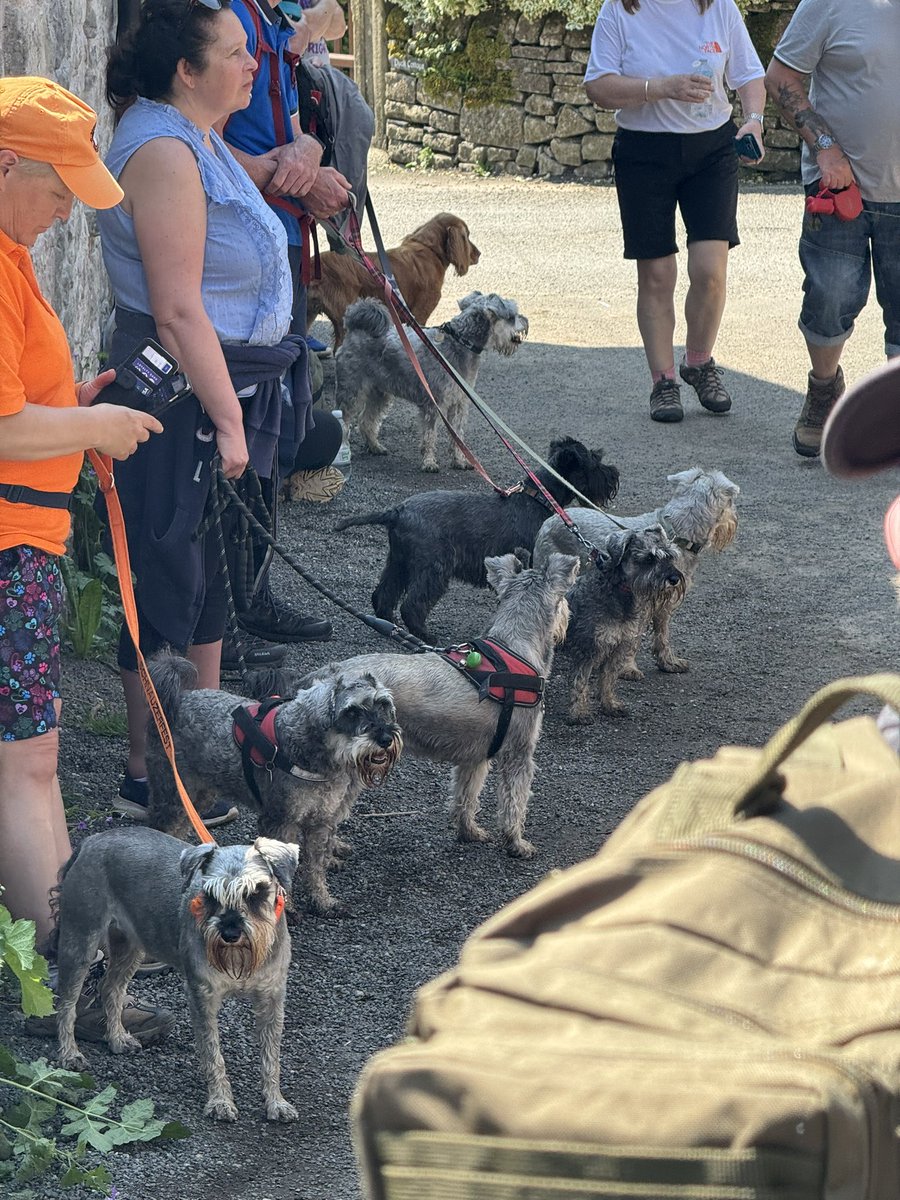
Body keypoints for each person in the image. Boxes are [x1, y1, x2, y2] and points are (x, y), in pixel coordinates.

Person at [98, 0, 315, 819]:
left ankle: (202, 751)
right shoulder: (160, 150)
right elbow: (178, 309)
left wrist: (301, 155)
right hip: (176, 396)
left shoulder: (193, 132)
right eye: (234, 52)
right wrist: (228, 419)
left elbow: (248, 183)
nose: (254, 63)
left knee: (209, 578)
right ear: (186, 71)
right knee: (167, 582)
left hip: (213, 387)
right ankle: (150, 774)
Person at [0, 74, 172, 1046]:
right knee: (27, 765)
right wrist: (93, 424)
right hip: (8, 550)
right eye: (59, 185)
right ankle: (58, 986)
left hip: (23, 545)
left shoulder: (12, 258)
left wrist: (79, 410)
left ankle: (66, 968)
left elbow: (22, 405)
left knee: (30, 760)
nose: (71, 207)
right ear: (5, 163)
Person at [584, 0, 766, 423]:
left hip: (711, 150)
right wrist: (661, 87)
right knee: (657, 273)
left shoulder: (719, 7)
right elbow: (598, 86)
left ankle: (698, 363)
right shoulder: (619, 10)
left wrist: (754, 120)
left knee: (710, 271)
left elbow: (749, 75)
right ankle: (663, 381)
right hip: (643, 152)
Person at [765, 0, 900, 460]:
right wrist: (825, 147)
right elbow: (780, 77)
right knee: (830, 295)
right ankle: (824, 389)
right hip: (840, 183)